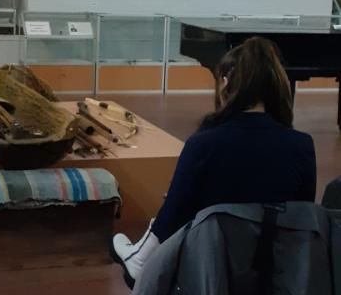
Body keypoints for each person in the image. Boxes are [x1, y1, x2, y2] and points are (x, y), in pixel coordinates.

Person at [111, 36, 317, 288]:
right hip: (276, 272)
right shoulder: (302, 145)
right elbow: (301, 219)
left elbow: (174, 217)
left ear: (225, 83)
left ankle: (140, 258)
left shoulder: (203, 144)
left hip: (209, 271)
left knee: (178, 206)